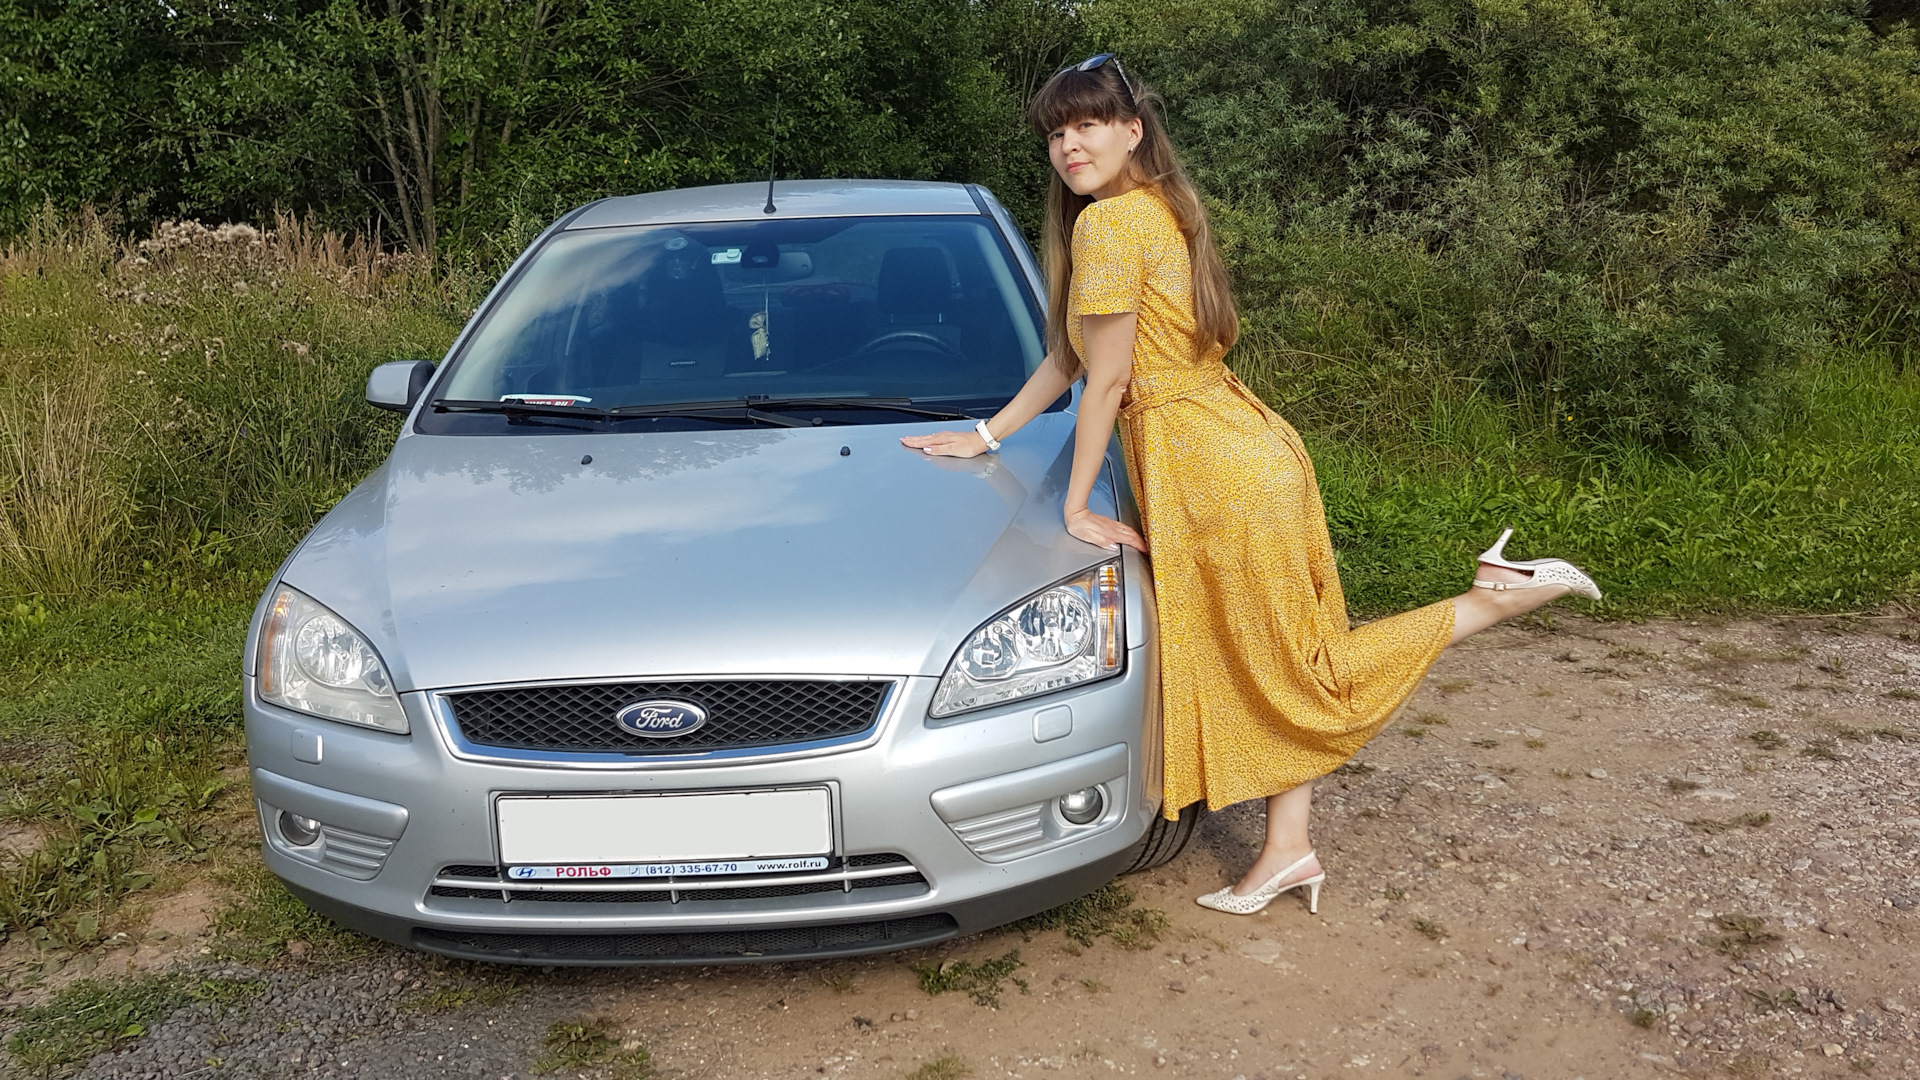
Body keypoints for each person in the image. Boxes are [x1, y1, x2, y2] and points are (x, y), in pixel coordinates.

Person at [900, 55, 1600, 916]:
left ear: (1132, 130)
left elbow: (1106, 382)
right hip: (1242, 449)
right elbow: (1073, 356)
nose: (1068, 145)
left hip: (1211, 470)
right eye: (1055, 132)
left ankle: (1490, 600)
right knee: (1273, 655)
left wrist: (1077, 506)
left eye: (1087, 124)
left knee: (1295, 666)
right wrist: (985, 435)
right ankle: (1288, 850)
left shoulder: (1110, 224)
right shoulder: (1159, 208)